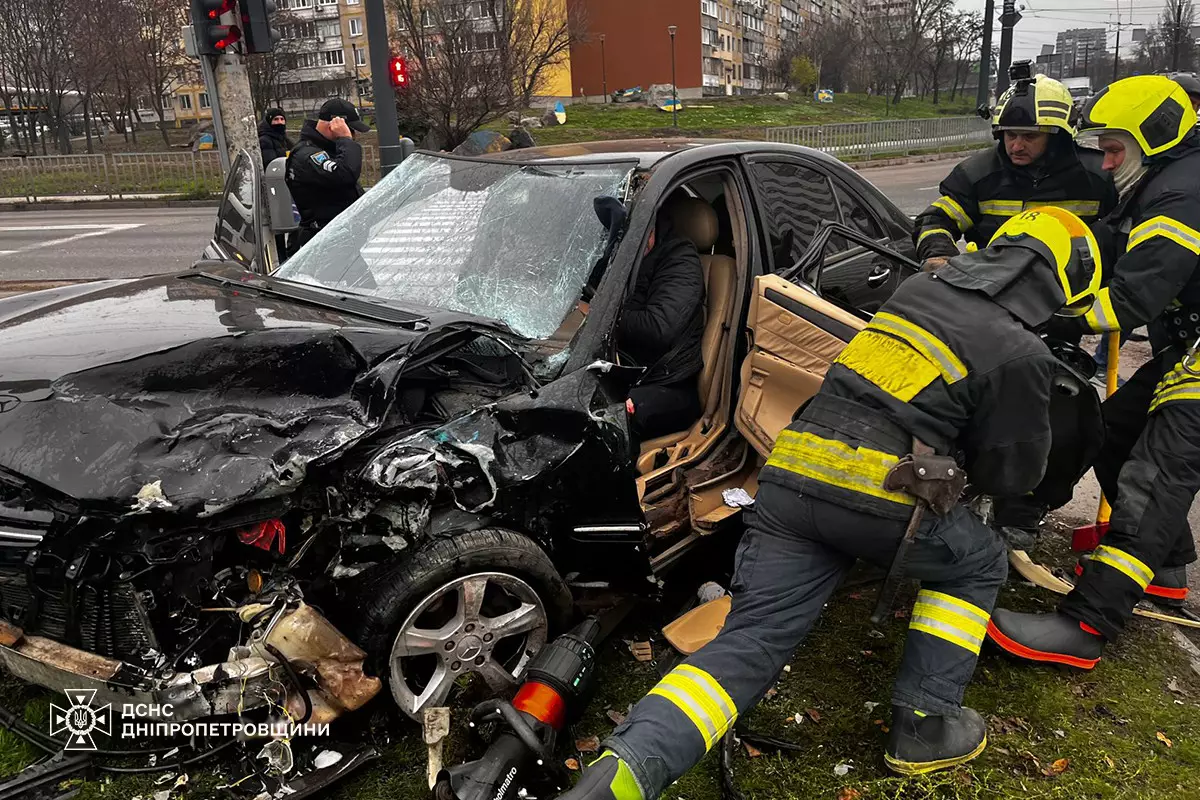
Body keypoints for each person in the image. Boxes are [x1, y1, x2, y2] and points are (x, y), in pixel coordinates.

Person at [557, 207, 1102, 800]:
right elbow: (1012, 474)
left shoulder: (919, 290)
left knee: (751, 640)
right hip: (882, 501)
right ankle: (924, 725)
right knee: (978, 560)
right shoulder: (1022, 353)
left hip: (789, 481)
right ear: (1062, 285)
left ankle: (617, 778)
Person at [988, 76, 1200, 668]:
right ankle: (1165, 569)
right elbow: (1111, 245)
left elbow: (1132, 297)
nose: (1105, 164)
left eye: (1112, 150)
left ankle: (1086, 624)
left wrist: (1048, 314)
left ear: (1153, 137)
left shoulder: (1183, 194)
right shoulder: (1167, 179)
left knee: (1155, 480)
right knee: (1110, 432)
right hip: (1186, 347)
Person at [913, 68, 1116, 271]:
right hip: (992, 283)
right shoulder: (976, 174)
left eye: (1030, 136)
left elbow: (1122, 235)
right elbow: (936, 220)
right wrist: (939, 255)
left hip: (1074, 286)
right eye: (1010, 135)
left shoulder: (1099, 175)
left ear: (1057, 138)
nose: (1017, 146)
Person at [619, 196, 705, 442]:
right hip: (621, 370)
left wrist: (599, 315)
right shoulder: (617, 256)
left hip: (667, 382)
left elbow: (658, 328)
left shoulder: (680, 259)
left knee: (612, 419)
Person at [285, 98, 369, 248]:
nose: (353, 135)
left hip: (338, 239)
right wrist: (345, 139)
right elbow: (345, 175)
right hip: (321, 242)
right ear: (334, 125)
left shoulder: (327, 150)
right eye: (350, 129)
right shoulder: (307, 155)